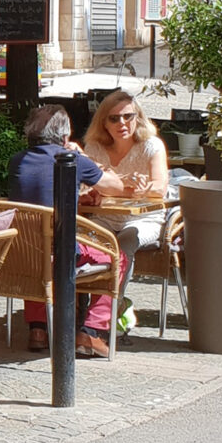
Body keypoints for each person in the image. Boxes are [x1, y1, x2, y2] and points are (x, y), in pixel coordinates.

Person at [8, 105, 126, 359]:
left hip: (22, 256)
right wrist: (82, 156)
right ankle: (91, 332)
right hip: (62, 257)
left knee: (38, 247)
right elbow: (116, 187)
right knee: (117, 256)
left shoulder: (16, 161)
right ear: (65, 137)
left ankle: (38, 329)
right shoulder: (71, 160)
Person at [82, 89, 169, 295]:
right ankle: (81, 305)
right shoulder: (94, 148)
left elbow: (160, 188)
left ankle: (112, 307)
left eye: (128, 116)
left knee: (122, 247)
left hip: (144, 220)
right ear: (103, 123)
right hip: (105, 218)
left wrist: (141, 188)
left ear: (137, 118)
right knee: (77, 243)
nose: (122, 123)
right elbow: (84, 189)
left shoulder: (151, 146)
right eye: (114, 118)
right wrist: (122, 190)